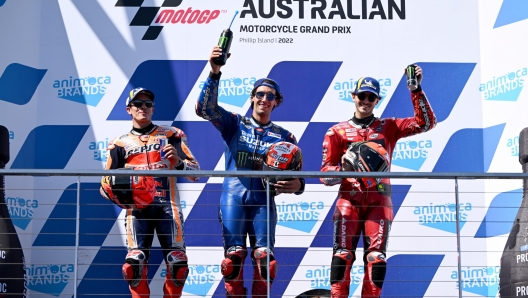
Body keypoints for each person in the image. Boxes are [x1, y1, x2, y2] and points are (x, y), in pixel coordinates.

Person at [195, 46, 306, 297]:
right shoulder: (234, 123)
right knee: (233, 261)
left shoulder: (285, 137)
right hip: (233, 197)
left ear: (277, 101)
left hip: (263, 202)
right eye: (260, 94)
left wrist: (297, 185)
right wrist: (215, 71)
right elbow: (204, 109)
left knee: (265, 262)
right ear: (252, 96)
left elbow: (299, 177)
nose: (264, 99)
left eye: (270, 96)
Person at [320, 66, 437, 298]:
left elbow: (426, 123)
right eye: (362, 95)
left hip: (380, 201)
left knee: (376, 259)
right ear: (353, 96)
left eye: (371, 97)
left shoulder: (389, 127)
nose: (366, 100)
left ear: (377, 100)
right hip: (348, 201)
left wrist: (416, 89)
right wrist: (344, 168)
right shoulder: (337, 132)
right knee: (342, 256)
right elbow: (325, 175)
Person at [100, 87, 201, 298]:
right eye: (138, 104)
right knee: (133, 267)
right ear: (129, 109)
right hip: (136, 210)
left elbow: (196, 174)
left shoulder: (173, 135)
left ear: (153, 109)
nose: (143, 107)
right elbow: (104, 186)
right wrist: (119, 194)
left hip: (168, 206)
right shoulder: (118, 143)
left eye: (148, 104)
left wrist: (178, 162)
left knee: (178, 265)